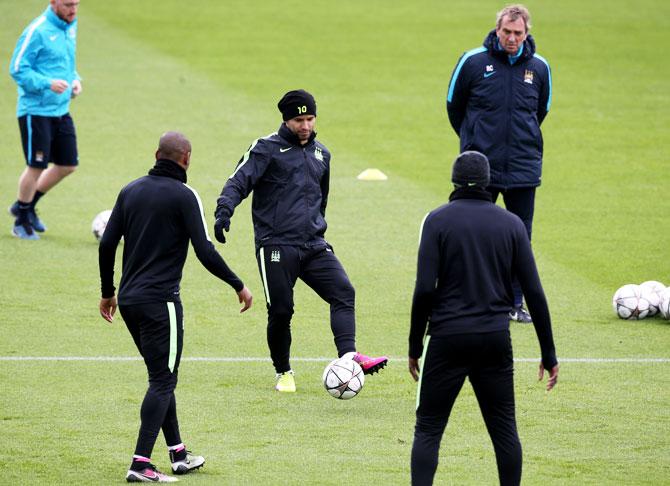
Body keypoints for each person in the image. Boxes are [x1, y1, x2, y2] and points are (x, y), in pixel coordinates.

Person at [98, 131, 253, 483]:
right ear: (187, 159)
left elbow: (107, 244)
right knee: (163, 381)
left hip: (131, 301)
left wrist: (108, 291)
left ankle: (178, 453)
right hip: (161, 304)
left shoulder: (130, 190)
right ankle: (140, 464)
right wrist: (238, 284)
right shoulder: (185, 196)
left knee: (161, 377)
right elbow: (205, 250)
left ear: (156, 155)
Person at [213, 89, 387, 392]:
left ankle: (348, 357)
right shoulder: (266, 149)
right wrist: (224, 212)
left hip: (313, 243)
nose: (305, 125)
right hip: (276, 244)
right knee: (281, 309)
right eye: (298, 120)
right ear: (286, 120)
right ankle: (284, 372)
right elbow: (238, 181)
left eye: (309, 118)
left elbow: (322, 197)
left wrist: (316, 227)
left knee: (343, 291)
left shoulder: (322, 154)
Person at [408, 151, 559, 486]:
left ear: (454, 181)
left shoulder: (436, 220)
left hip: (446, 339)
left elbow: (423, 289)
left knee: (429, 428)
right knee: (504, 429)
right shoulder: (512, 224)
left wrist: (415, 344)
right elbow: (534, 292)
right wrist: (548, 353)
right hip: (494, 338)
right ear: (488, 181)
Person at [446, 4, 552, 323]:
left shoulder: (540, 68)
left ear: (527, 33)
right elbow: (454, 107)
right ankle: (469, 299)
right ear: (497, 29)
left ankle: (514, 304)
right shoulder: (473, 61)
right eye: (506, 31)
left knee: (519, 238)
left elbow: (541, 111)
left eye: (518, 33)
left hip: (523, 167)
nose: (511, 38)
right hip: (480, 169)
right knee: (472, 235)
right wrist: (472, 144)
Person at [8, 0, 83, 240]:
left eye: (77, 4)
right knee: (37, 165)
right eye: (68, 4)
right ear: (53, 3)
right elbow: (18, 68)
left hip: (61, 110)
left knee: (67, 165)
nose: (73, 9)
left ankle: (25, 206)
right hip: (36, 111)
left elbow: (67, 63)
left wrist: (75, 79)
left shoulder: (69, 25)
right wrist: (47, 83)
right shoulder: (37, 31)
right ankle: (21, 221)